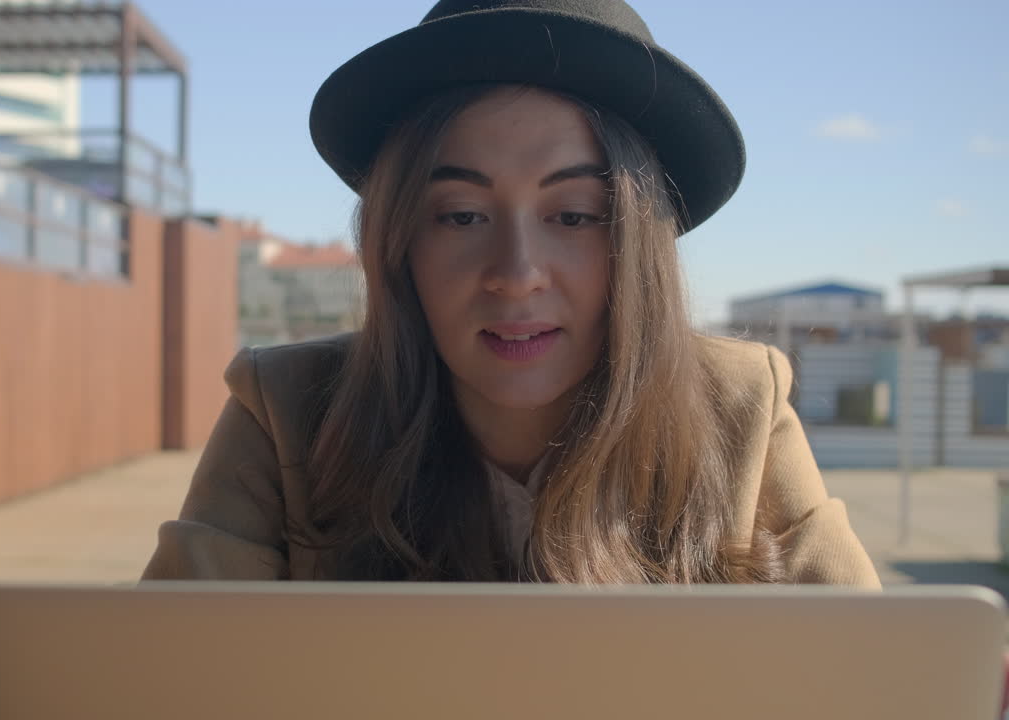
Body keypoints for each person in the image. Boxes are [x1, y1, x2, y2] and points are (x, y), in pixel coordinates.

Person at [140, 0, 881, 586]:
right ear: (400, 244)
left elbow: (874, 677)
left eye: (574, 216)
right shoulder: (287, 412)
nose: (517, 271)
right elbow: (159, 675)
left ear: (637, 245)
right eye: (461, 216)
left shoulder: (740, 410)